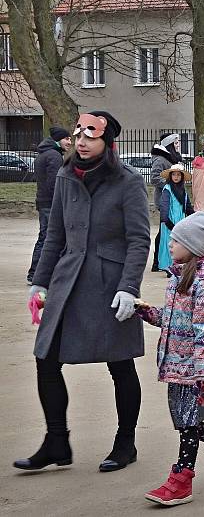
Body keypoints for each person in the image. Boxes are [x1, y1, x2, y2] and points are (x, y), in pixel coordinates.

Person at [19, 111, 150, 472]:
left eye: (90, 137)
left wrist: (129, 287)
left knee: (120, 364)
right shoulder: (65, 176)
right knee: (45, 359)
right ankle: (56, 442)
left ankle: (126, 442)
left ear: (107, 143)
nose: (81, 142)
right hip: (68, 280)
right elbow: (55, 235)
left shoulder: (128, 181)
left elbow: (139, 240)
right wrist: (41, 282)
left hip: (109, 284)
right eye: (78, 135)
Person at [136, 212, 204, 506]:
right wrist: (146, 311)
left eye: (177, 240)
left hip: (196, 369)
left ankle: (181, 481)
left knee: (185, 424)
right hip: (177, 364)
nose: (170, 243)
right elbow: (174, 321)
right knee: (186, 420)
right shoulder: (178, 276)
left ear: (193, 246)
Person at [27, 126, 71, 285]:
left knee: (45, 236)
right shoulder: (54, 156)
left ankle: (36, 272)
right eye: (67, 139)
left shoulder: (45, 153)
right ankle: (37, 273)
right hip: (50, 203)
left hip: (44, 201)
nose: (70, 142)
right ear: (58, 139)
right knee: (48, 237)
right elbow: (55, 183)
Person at [150, 133, 182, 272]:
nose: (178, 145)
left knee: (164, 231)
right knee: (164, 231)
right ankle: (158, 262)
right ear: (169, 145)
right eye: (175, 143)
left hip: (174, 200)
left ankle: (160, 261)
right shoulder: (161, 160)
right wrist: (170, 184)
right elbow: (154, 178)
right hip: (165, 200)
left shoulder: (171, 158)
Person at [158, 164, 194, 272]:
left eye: (178, 175)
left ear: (182, 177)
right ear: (170, 176)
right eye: (174, 174)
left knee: (180, 245)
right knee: (169, 244)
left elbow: (187, 207)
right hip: (170, 222)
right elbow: (164, 207)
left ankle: (177, 265)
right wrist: (167, 222)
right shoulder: (167, 189)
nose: (176, 177)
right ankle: (167, 267)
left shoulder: (183, 191)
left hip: (180, 222)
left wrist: (196, 217)